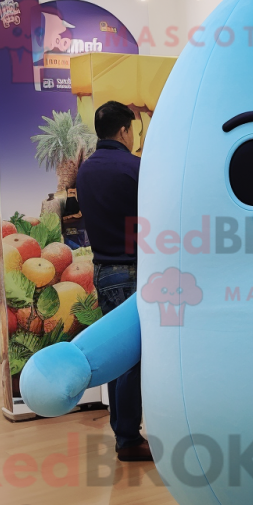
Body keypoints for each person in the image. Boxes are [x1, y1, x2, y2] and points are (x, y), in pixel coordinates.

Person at [76, 101, 152, 462]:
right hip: (133, 270)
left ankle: (121, 429)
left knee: (112, 351)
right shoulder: (137, 168)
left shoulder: (85, 171)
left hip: (103, 270)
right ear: (125, 131)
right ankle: (128, 438)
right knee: (134, 357)